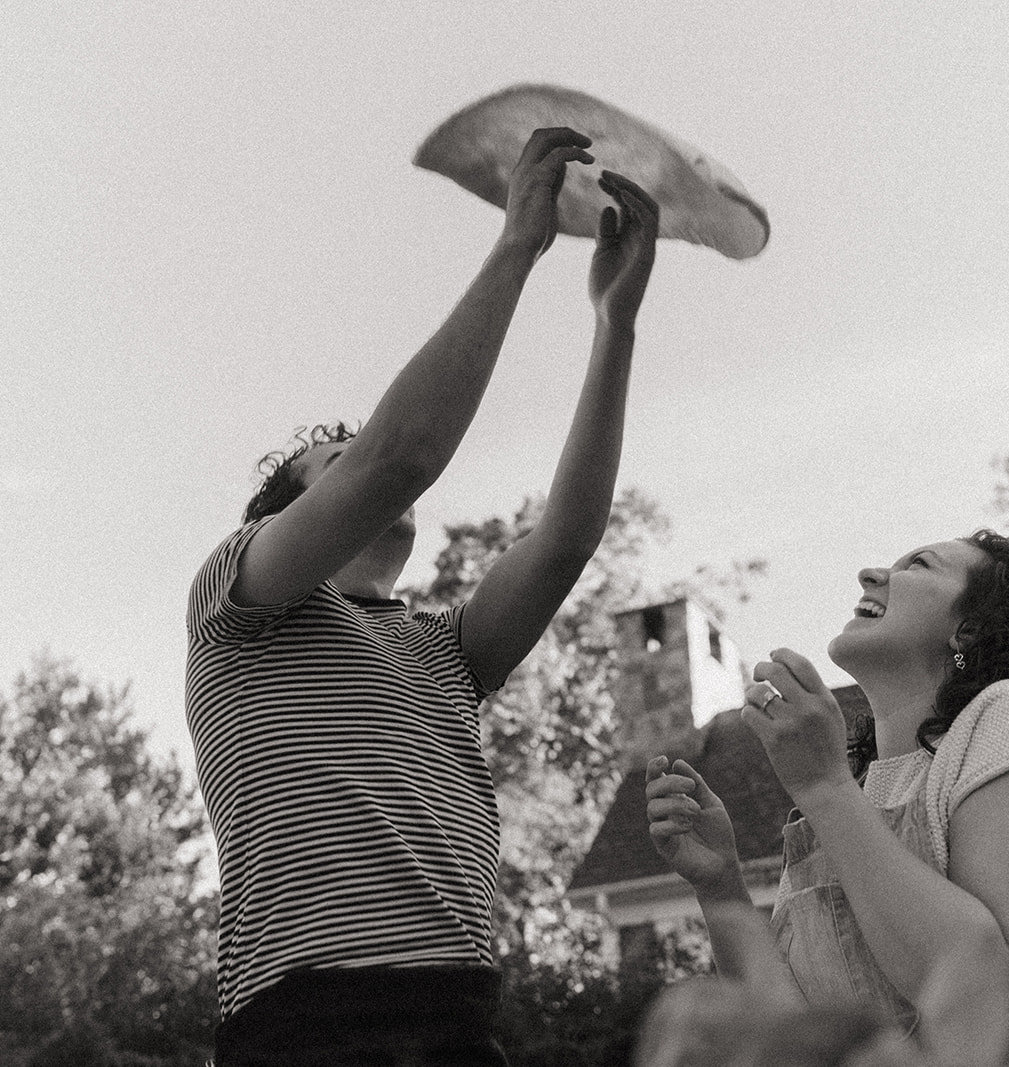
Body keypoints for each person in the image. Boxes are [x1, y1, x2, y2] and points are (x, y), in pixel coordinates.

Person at [186, 126, 660, 1066]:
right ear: (294, 514)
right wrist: (519, 245)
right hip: (307, 1025)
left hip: (460, 1017)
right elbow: (399, 455)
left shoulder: (443, 650)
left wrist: (615, 324)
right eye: (337, 464)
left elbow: (566, 540)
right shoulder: (236, 599)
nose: (370, 467)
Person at [646, 531, 1009, 1067]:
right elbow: (796, 1042)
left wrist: (825, 787)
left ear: (969, 629)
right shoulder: (847, 805)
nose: (871, 574)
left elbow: (1001, 998)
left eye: (920, 565)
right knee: (691, 1018)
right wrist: (720, 889)